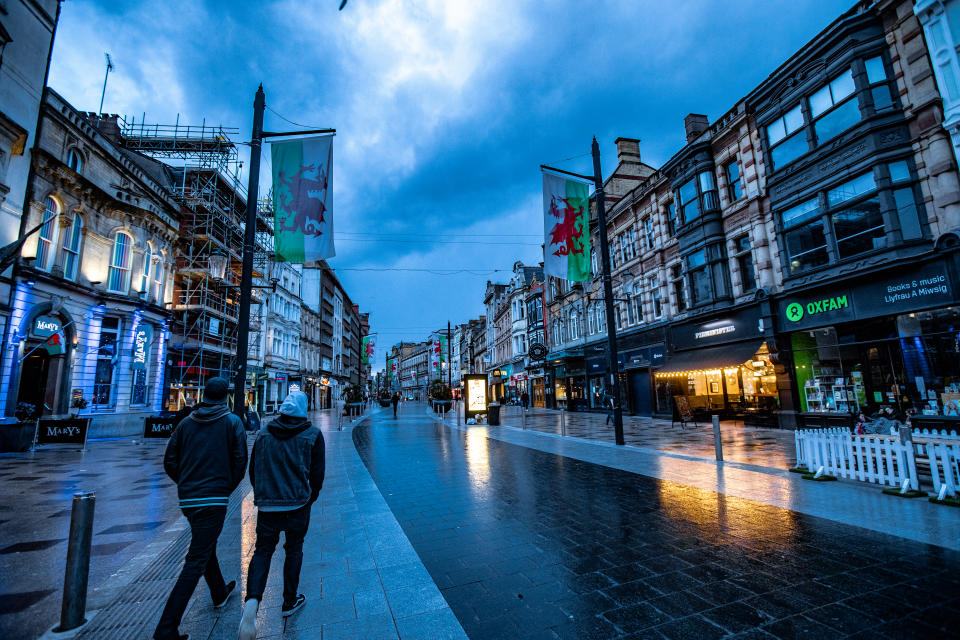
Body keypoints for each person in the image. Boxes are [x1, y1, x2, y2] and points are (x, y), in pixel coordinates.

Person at [155, 377, 247, 640]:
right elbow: (240, 460)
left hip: (189, 499)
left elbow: (169, 460)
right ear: (226, 396)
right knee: (196, 559)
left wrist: (187, 483)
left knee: (203, 544)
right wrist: (224, 487)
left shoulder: (185, 423)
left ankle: (218, 591)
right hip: (214, 498)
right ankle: (166, 629)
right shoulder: (232, 422)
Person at [239, 390, 324, 640]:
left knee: (263, 551)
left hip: (268, 506)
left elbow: (253, 470)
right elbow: (317, 477)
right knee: (294, 549)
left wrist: (264, 495)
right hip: (298, 503)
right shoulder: (313, 435)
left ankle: (252, 603)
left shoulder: (264, 433)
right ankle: (289, 601)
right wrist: (309, 498)